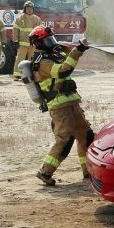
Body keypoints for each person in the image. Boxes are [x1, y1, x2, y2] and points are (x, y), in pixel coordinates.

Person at [28, 25, 95, 186]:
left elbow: (66, 60)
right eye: (48, 40)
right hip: (60, 107)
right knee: (65, 139)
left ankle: (88, 171)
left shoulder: (53, 55)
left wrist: (71, 47)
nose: (51, 42)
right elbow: (63, 71)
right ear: (39, 44)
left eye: (52, 39)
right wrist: (77, 50)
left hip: (71, 103)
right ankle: (45, 172)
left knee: (86, 136)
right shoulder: (42, 61)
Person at [12, 1, 42, 80]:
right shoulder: (20, 18)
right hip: (23, 43)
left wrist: (39, 41)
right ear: (25, 9)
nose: (29, 10)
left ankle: (30, 75)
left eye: (31, 8)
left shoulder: (37, 19)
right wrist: (15, 40)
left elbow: (40, 30)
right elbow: (15, 30)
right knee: (19, 59)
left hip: (33, 44)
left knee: (32, 60)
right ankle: (16, 74)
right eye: (28, 8)